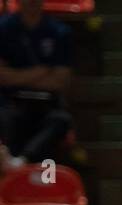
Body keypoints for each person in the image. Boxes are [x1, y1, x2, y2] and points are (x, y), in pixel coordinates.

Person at [0, 0, 72, 170]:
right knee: (5, 118)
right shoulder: (3, 28)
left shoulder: (60, 32)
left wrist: (15, 76)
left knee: (61, 120)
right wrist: (42, 71)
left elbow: (59, 80)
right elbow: (1, 77)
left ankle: (21, 162)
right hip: (11, 102)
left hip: (47, 104)